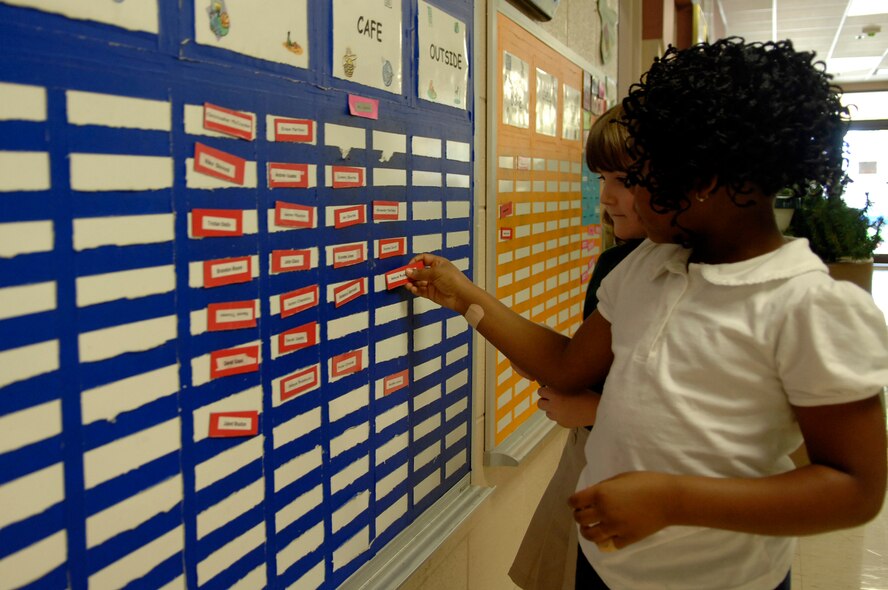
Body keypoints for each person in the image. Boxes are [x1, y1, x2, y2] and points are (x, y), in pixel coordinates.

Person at [406, 37, 888, 590]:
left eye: (638, 179)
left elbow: (854, 488)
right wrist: (465, 294)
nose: (621, 200)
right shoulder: (645, 266)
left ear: (705, 180)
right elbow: (566, 366)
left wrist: (674, 499)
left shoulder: (811, 307)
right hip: (606, 566)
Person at [508, 104, 646, 590]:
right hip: (596, 456)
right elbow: (578, 366)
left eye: (624, 178)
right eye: (602, 177)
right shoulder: (619, 263)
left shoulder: (643, 271)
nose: (605, 196)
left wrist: (595, 408)